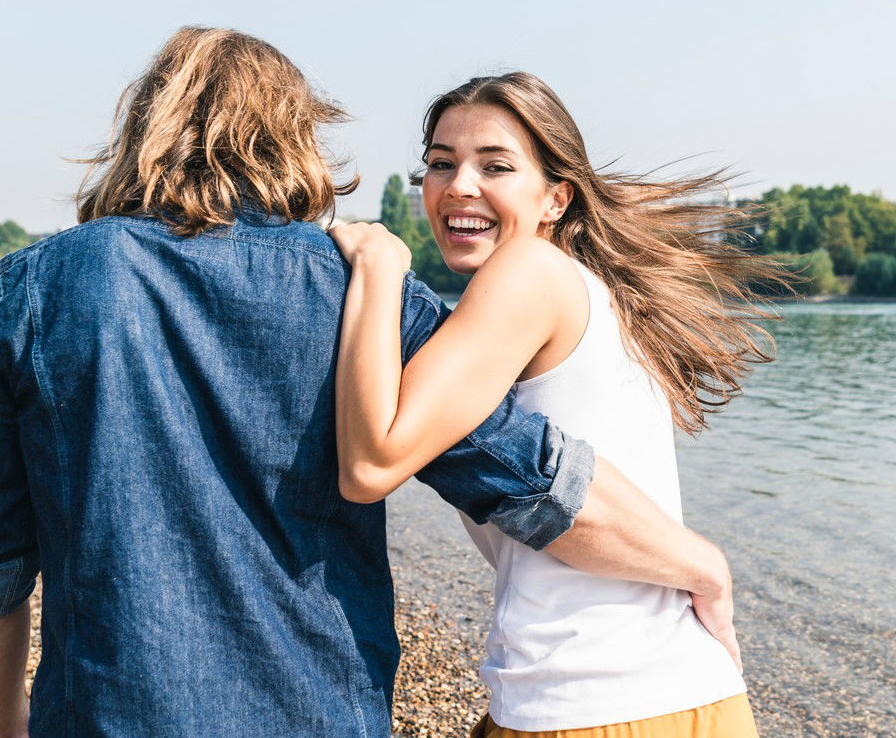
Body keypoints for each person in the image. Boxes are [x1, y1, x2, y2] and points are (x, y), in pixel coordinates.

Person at [0, 28, 733, 738]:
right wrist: (698, 564)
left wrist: (3, 726)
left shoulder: (32, 290)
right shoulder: (357, 287)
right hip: (320, 710)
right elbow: (523, 474)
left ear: (144, 130)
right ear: (293, 137)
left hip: (109, 713)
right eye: (442, 164)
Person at [328, 72, 785, 737]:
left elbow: (371, 465)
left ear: (555, 199)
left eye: (496, 166)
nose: (458, 185)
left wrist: (376, 265)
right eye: (439, 164)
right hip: (620, 695)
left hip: (610, 704)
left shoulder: (530, 274)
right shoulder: (576, 291)